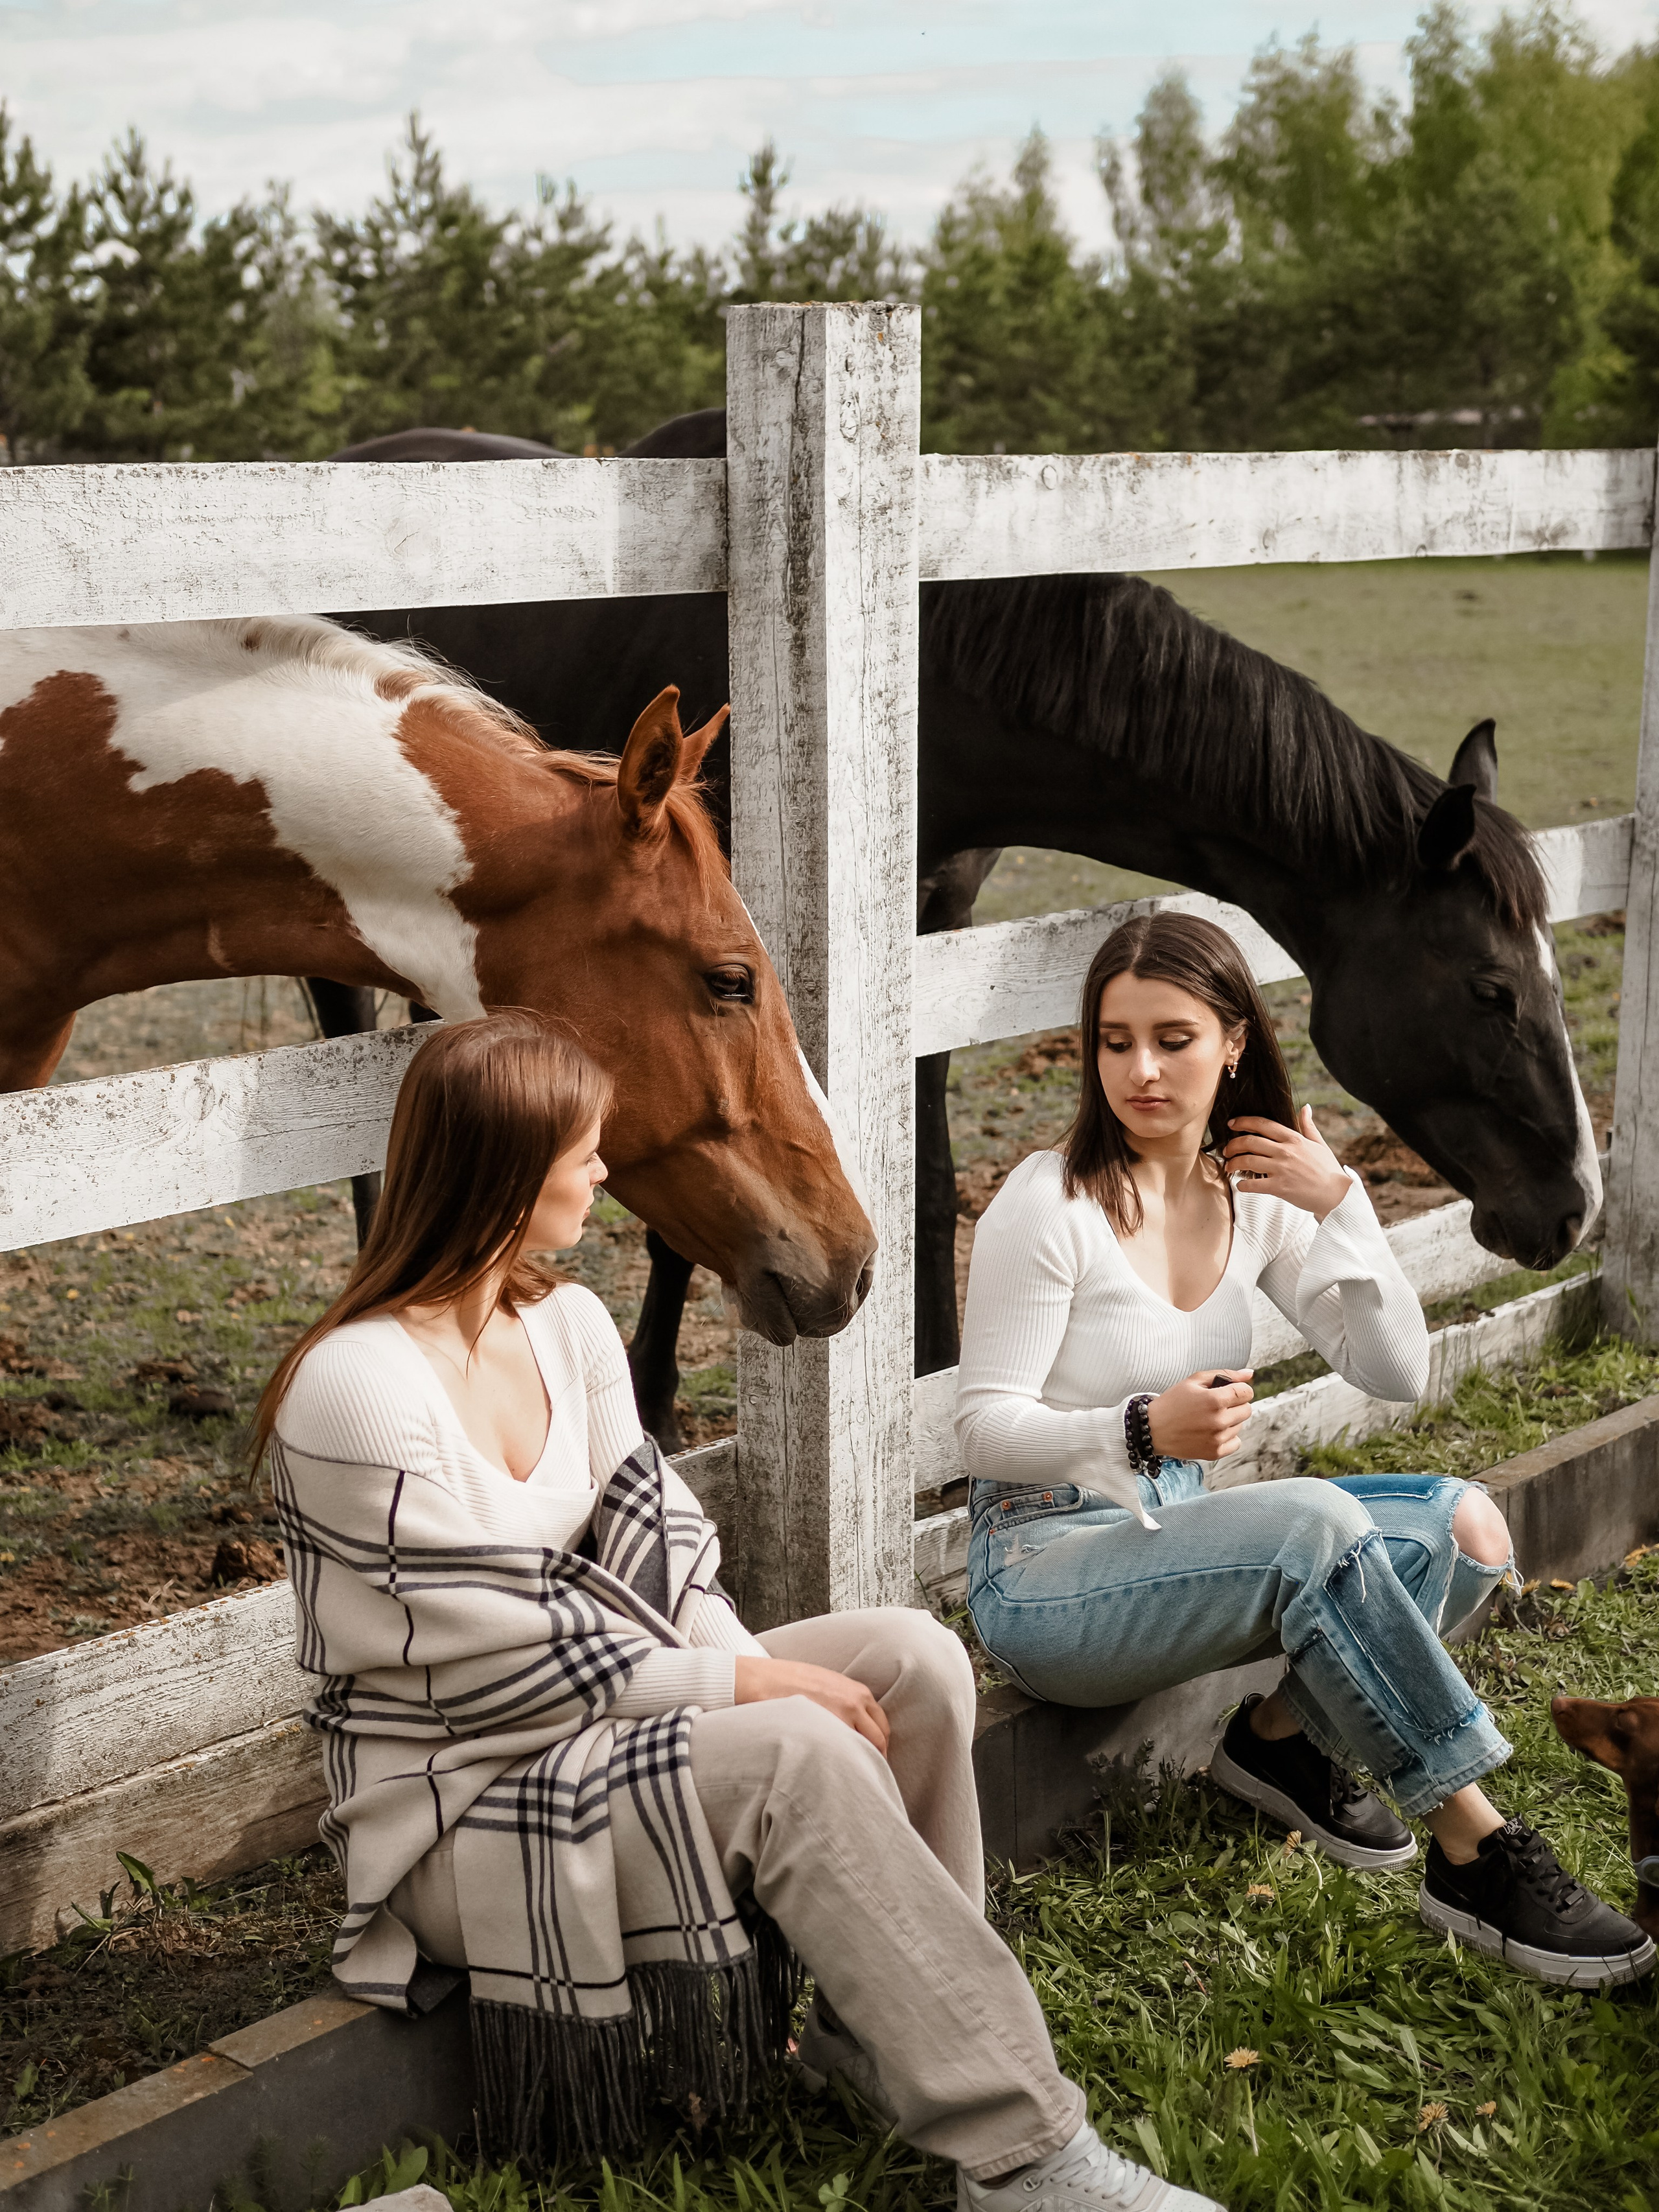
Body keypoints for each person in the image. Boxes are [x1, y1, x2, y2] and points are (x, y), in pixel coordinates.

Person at [257, 1010, 1227, 2212]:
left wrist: (741, 1668)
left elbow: (663, 1557)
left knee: (914, 1659)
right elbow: (492, 1642)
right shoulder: (354, 1385)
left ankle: (878, 2038)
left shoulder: (562, 1326)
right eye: (584, 1149)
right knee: (791, 1748)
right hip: (463, 1792)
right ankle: (1021, 2151)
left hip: (606, 1715)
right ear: (504, 1172)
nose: (606, 1172)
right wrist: (743, 1687)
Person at [957, 914, 1653, 1991]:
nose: (1139, 1068)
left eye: (1173, 1038)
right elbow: (982, 1426)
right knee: (1320, 1526)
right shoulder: (1050, 1204)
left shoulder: (1257, 1196)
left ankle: (1277, 1740)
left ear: (1235, 1040)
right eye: (1114, 1039)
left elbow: (1396, 1370)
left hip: (1175, 1530)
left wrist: (1344, 1205)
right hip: (1045, 1568)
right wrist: (1135, 1429)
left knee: (1465, 1528)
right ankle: (1477, 1847)